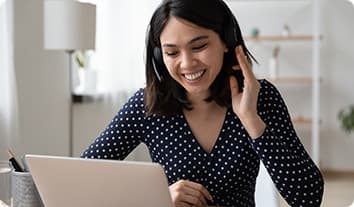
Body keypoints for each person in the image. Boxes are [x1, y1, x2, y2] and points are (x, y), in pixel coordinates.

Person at [81, 0, 324, 206]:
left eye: (199, 46)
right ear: (159, 55)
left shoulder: (261, 97)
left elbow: (308, 198)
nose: (186, 64)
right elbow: (82, 177)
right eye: (172, 53)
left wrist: (251, 119)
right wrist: (158, 198)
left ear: (226, 41)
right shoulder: (147, 104)